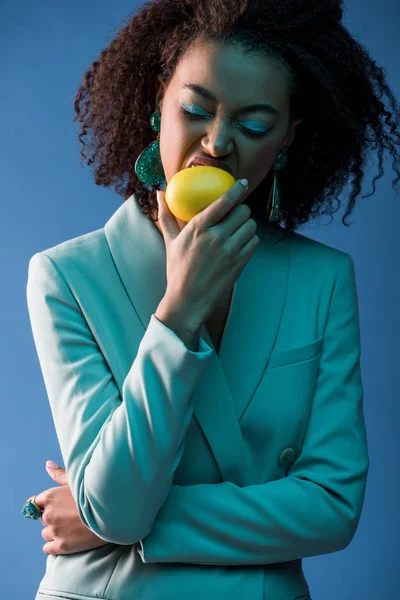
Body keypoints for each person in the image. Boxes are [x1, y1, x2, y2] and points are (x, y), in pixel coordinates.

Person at [22, 0, 400, 599]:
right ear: (157, 103)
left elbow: (331, 506)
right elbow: (118, 508)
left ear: (286, 139)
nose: (218, 143)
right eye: (195, 110)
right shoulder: (67, 276)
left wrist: (115, 521)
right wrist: (178, 311)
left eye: (253, 126)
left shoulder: (321, 280)